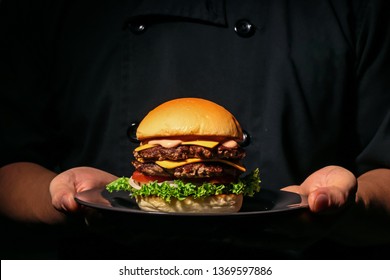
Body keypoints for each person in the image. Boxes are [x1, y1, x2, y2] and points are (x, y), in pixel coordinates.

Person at [0, 0, 389, 259]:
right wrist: (63, 199)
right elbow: (9, 165)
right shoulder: (50, 8)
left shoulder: (353, 6)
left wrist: (345, 204)